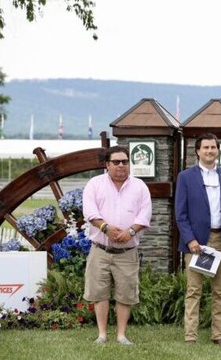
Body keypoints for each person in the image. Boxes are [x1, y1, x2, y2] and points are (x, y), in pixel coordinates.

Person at [82, 145, 152, 345]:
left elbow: (145, 214)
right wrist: (105, 227)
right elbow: (89, 211)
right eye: (116, 162)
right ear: (107, 164)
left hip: (127, 250)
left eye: (125, 162)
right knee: (99, 292)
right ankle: (102, 334)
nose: (121, 165)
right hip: (100, 249)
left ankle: (121, 335)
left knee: (125, 292)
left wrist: (130, 232)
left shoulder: (140, 187)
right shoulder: (94, 184)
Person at [175, 133, 221, 345]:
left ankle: (218, 335)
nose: (210, 151)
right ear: (198, 151)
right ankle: (190, 336)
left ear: (218, 150)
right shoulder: (186, 177)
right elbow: (180, 214)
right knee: (194, 291)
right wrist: (190, 240)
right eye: (206, 148)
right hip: (196, 243)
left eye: (213, 147)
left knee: (220, 291)